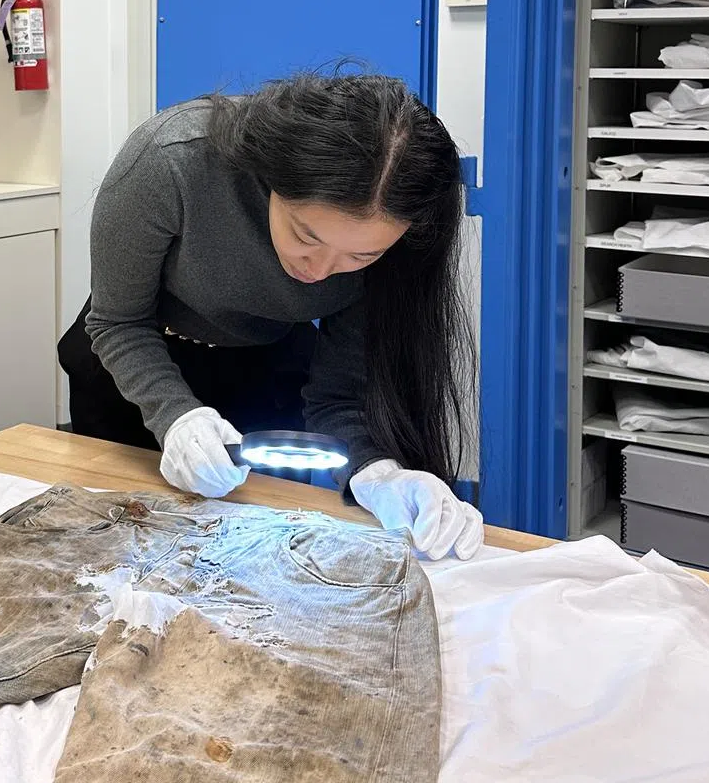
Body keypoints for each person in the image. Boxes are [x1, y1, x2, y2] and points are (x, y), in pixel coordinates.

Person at [58, 72, 483, 561]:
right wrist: (175, 417)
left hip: (264, 364)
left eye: (360, 258)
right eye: (305, 236)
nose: (319, 272)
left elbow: (339, 396)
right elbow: (118, 322)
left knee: (249, 558)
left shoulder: (401, 244)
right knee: (113, 550)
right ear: (272, 180)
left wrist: (378, 471)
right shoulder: (171, 161)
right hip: (132, 362)